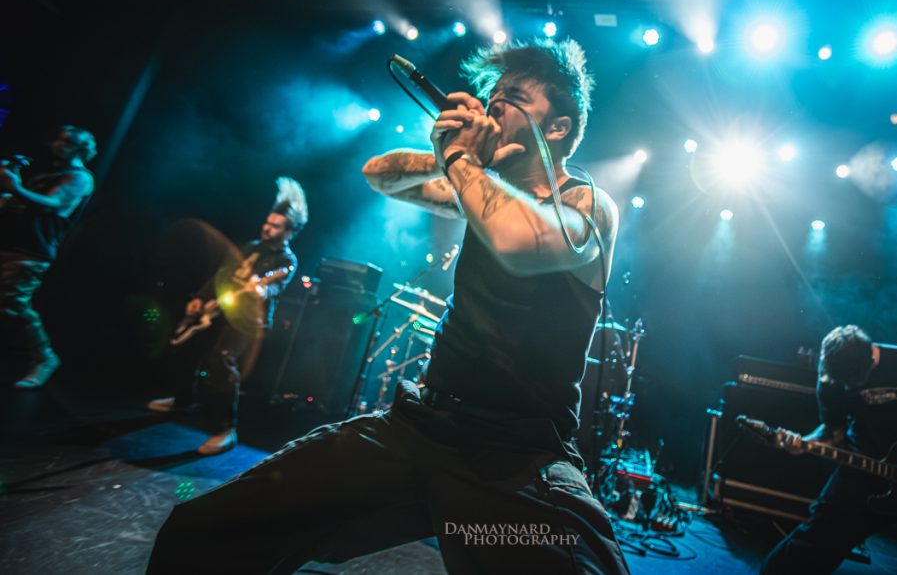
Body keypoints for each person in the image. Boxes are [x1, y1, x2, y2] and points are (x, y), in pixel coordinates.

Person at [146, 39, 629, 574]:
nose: (492, 106)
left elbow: (519, 240)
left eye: (513, 98)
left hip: (520, 456)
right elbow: (379, 172)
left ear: (557, 128)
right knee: (201, 532)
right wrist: (448, 155)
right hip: (423, 427)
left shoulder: (588, 204)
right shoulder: (478, 186)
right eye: (492, 95)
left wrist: (463, 160)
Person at [761, 325, 897, 574]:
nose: (846, 387)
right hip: (866, 469)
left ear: (870, 360)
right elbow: (833, 433)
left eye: (851, 382)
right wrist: (803, 444)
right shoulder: (831, 378)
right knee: (815, 541)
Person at [147, 177, 305, 455]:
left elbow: (275, 286)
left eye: (275, 226)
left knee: (221, 362)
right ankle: (182, 401)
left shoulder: (286, 261)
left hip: (247, 320)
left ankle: (225, 429)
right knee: (187, 351)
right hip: (221, 309)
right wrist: (201, 297)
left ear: (289, 231)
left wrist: (260, 289)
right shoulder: (251, 247)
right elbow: (223, 275)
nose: (267, 228)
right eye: (267, 222)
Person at [0, 125, 96, 388]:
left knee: (12, 305)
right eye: (58, 140)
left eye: (66, 142)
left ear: (79, 149)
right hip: (10, 242)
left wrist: (15, 187)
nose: (57, 145)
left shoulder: (79, 178)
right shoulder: (48, 175)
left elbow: (53, 205)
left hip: (31, 249)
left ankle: (44, 357)